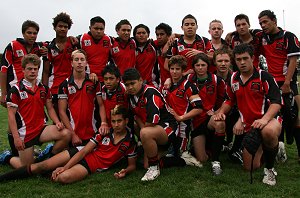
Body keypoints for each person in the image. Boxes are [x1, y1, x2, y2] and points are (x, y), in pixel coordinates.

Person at [0, 105, 137, 184]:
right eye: (113, 121)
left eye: (119, 121)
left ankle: (46, 167)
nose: (116, 124)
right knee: (40, 166)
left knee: (63, 178)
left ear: (126, 121)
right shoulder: (104, 132)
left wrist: (126, 171)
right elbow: (84, 152)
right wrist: (65, 167)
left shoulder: (130, 142)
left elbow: (132, 165)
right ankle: (5, 166)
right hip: (79, 152)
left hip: (90, 165)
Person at [214, 43, 282, 186]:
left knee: (268, 132)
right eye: (238, 59)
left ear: (253, 58)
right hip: (249, 125)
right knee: (249, 167)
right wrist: (221, 112)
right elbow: (229, 100)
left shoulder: (265, 77)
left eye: (245, 58)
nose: (242, 62)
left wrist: (264, 119)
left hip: (269, 120)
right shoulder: (233, 78)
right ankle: (270, 148)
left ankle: (270, 169)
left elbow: (276, 102)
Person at [0, 54, 71, 168]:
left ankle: (48, 155)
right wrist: (16, 138)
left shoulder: (43, 88)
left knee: (66, 134)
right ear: (23, 70)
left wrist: (57, 121)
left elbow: (50, 108)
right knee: (27, 167)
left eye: (35, 69)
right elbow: (11, 116)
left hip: (41, 129)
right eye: (29, 69)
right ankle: (8, 157)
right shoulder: (15, 90)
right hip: (24, 133)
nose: (33, 71)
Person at [257, 10, 300, 162]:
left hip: (288, 82)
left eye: (265, 22)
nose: (263, 25)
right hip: (272, 82)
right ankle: (279, 150)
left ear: (274, 21)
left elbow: (293, 61)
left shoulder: (288, 36)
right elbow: (246, 32)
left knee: (294, 117)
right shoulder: (262, 37)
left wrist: (288, 83)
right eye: (260, 23)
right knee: (276, 116)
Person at [0, 20, 47, 156]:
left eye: (35, 33)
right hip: (14, 89)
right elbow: (3, 70)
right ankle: (14, 152)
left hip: (30, 87)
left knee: (24, 119)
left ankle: (26, 148)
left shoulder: (38, 47)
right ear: (23, 33)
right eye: (29, 33)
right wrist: (3, 92)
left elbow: (51, 44)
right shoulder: (13, 45)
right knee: (13, 119)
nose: (32, 36)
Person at [122, 68, 178, 181]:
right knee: (145, 164)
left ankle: (156, 166)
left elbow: (152, 121)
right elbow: (136, 116)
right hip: (152, 128)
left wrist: (143, 134)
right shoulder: (130, 95)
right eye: (127, 85)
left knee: (145, 133)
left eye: (133, 83)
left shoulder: (150, 92)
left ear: (141, 80)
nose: (130, 87)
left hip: (168, 127)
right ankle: (172, 157)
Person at [58, 49, 108, 147]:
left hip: (93, 131)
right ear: (72, 63)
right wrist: (72, 134)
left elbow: (101, 105)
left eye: (82, 59)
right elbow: (62, 112)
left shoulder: (94, 82)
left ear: (86, 63)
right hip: (74, 133)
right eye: (76, 60)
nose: (79, 62)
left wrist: (103, 123)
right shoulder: (64, 85)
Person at [187, 53, 226, 175]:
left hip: (209, 118)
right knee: (202, 159)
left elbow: (224, 100)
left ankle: (216, 161)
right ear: (193, 67)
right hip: (195, 120)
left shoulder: (216, 80)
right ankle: (211, 146)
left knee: (220, 123)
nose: (200, 68)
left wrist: (217, 111)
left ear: (208, 66)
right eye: (197, 65)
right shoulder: (188, 80)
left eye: (203, 65)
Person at [162, 55, 202, 154]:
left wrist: (181, 117)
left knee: (179, 153)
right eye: (172, 69)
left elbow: (199, 108)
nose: (174, 72)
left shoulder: (188, 86)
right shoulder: (166, 85)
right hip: (167, 122)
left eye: (177, 69)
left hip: (182, 125)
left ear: (183, 70)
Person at [42, 12, 77, 116]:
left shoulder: (74, 44)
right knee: (58, 121)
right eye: (60, 26)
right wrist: (44, 91)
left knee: (73, 117)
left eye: (65, 27)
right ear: (54, 27)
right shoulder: (49, 47)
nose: (62, 29)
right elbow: (45, 71)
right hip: (55, 88)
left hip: (72, 85)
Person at [213, 48, 243, 164]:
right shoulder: (211, 78)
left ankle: (235, 147)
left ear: (231, 61)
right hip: (215, 112)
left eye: (226, 61)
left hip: (236, 112)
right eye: (220, 61)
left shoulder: (238, 77)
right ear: (215, 62)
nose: (223, 64)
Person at [76, 16, 112, 82]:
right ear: (90, 28)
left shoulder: (109, 40)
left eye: (101, 29)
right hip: (86, 78)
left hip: (104, 79)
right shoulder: (81, 39)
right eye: (96, 28)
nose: (98, 31)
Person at [153, 23, 172, 89]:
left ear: (168, 35)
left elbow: (186, 36)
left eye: (162, 34)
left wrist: (174, 35)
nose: (159, 37)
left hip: (174, 82)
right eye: (157, 35)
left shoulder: (175, 45)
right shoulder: (155, 44)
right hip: (162, 84)